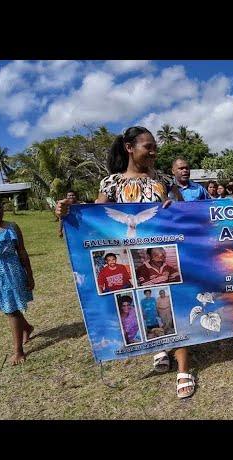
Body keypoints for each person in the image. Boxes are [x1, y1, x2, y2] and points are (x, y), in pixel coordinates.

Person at [56, 125, 195, 399]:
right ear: (129, 148)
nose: (154, 151)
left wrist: (173, 206)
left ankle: (184, 369)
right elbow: (94, 218)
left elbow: (184, 213)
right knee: (150, 307)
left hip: (165, 256)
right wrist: (67, 212)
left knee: (175, 305)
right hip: (134, 262)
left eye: (155, 146)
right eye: (148, 146)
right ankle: (159, 347)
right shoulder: (111, 183)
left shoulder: (165, 181)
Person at [0, 195, 35, 365]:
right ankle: (27, 327)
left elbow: (22, 251)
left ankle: (18, 351)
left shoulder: (12, 227)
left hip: (10, 272)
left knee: (11, 309)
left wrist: (30, 274)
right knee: (8, 307)